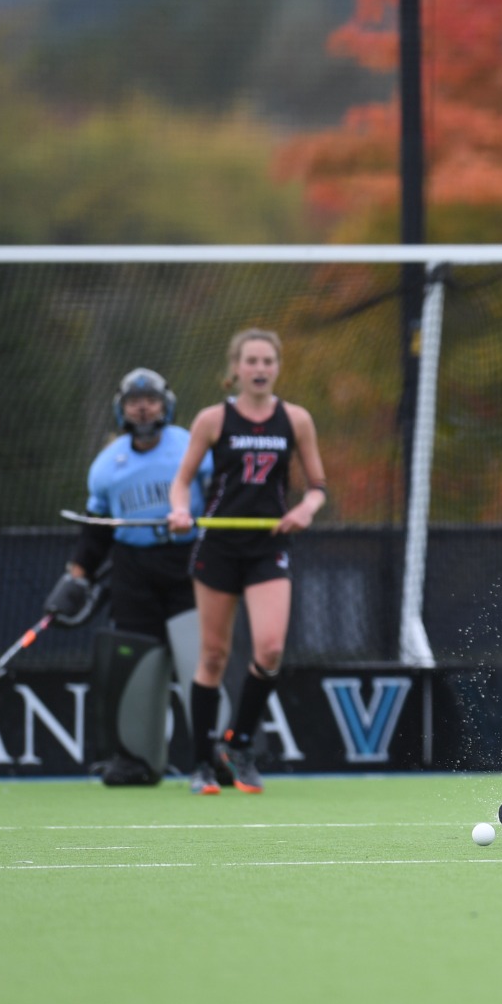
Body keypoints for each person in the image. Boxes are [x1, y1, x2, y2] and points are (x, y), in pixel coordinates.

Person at [167, 329, 329, 795]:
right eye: (251, 361)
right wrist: (179, 511)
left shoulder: (295, 419)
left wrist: (305, 509)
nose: (259, 369)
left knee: (271, 650)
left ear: (277, 367)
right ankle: (200, 762)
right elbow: (181, 484)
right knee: (214, 655)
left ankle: (238, 744)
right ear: (235, 368)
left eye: (267, 361)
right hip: (218, 545)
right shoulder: (212, 420)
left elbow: (318, 486)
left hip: (267, 546)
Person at [43, 368, 210, 783]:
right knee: (137, 662)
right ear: (121, 409)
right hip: (133, 568)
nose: (142, 407)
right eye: (134, 401)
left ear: (165, 404)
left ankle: (219, 755)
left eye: (150, 399)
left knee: (201, 658)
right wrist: (77, 575)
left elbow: (220, 493)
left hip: (189, 562)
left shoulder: (190, 446)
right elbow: (97, 528)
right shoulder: (107, 465)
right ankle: (137, 759)